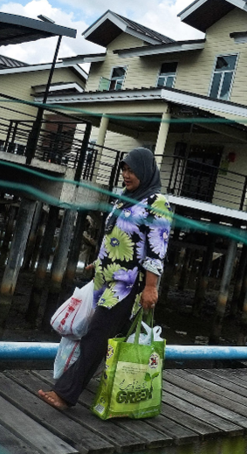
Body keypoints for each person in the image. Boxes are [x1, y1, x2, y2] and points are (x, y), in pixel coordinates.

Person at [38, 147, 172, 410]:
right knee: (110, 336)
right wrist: (99, 262)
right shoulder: (126, 198)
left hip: (127, 286)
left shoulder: (157, 203)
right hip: (106, 281)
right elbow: (118, 238)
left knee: (96, 336)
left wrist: (151, 287)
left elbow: (157, 248)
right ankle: (111, 387)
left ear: (145, 171)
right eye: (124, 169)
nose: (126, 174)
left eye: (132, 170)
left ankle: (66, 395)